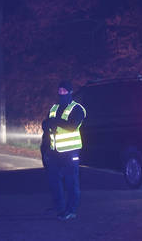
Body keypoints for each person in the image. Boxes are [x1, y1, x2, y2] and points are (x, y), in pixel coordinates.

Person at [42, 80, 86, 221]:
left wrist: (54, 122)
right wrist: (45, 149)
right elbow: (46, 125)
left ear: (70, 92)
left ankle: (71, 210)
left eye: (64, 91)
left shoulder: (77, 109)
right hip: (54, 152)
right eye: (60, 91)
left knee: (71, 182)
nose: (61, 93)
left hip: (70, 152)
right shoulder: (54, 108)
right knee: (54, 181)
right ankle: (59, 208)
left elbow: (72, 126)